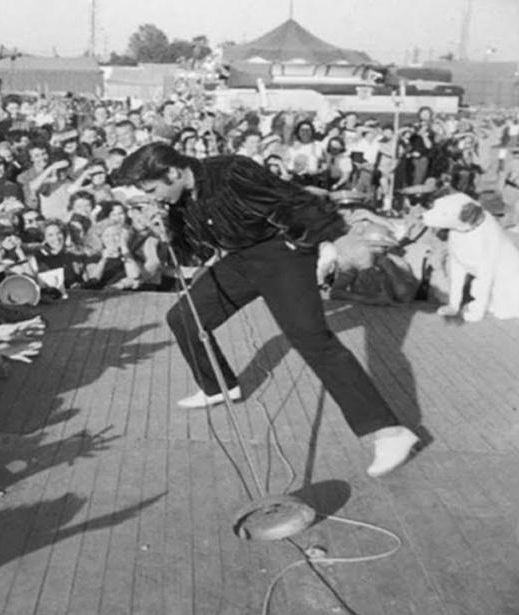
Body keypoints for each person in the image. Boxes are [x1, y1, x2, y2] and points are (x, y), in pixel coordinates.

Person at [116, 143, 420, 477]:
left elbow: (298, 202)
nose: (155, 197)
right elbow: (195, 251)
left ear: (173, 172)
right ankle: (219, 386)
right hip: (243, 259)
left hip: (283, 254)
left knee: (311, 339)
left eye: (153, 189)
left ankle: (390, 432)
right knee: (184, 317)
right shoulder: (178, 200)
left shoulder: (232, 172)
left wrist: (335, 240)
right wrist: (168, 232)